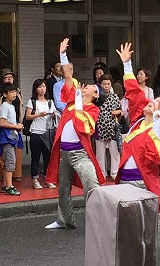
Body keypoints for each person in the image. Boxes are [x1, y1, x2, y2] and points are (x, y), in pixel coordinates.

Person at [115, 42, 160, 265]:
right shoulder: (135, 123)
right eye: (151, 101)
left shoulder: (158, 131)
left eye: (156, 104)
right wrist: (127, 64)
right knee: (128, 235)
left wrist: (156, 125)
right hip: (125, 185)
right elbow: (134, 91)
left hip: (143, 187)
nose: (150, 103)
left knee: (157, 234)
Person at [45, 38, 105, 229]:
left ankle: (100, 221)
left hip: (80, 154)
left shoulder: (92, 110)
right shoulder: (73, 100)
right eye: (86, 85)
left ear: (95, 95)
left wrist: (78, 102)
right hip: (65, 152)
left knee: (92, 186)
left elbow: (84, 127)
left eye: (91, 87)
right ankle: (64, 219)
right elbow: (68, 75)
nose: (86, 86)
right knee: (63, 188)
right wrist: (62, 54)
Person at [25, 79, 57, 189]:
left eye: (43, 86)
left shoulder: (50, 101)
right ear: (36, 89)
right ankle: (35, 179)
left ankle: (48, 179)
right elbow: (27, 116)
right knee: (36, 157)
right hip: (36, 132)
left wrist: (53, 114)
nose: (42, 89)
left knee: (48, 157)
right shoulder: (32, 101)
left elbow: (54, 114)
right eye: (39, 87)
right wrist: (38, 115)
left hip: (47, 132)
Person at [0, 68, 23, 184]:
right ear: (5, 94)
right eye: (12, 92)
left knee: (13, 159)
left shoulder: (12, 105)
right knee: (9, 160)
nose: (14, 94)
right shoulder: (4, 105)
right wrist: (16, 126)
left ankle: (8, 184)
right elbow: (1, 123)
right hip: (7, 136)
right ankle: (8, 185)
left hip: (13, 135)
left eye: (15, 92)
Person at [95, 74, 122, 180]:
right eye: (104, 84)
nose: (106, 86)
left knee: (114, 152)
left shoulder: (115, 97)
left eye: (108, 84)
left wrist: (118, 112)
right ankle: (101, 173)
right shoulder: (96, 98)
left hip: (112, 128)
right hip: (100, 127)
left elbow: (121, 110)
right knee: (100, 153)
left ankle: (115, 173)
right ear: (100, 85)